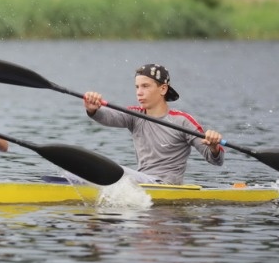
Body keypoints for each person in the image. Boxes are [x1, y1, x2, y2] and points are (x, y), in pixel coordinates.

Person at [82, 63, 224, 184]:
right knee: (90, 172)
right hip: (143, 182)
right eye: (137, 87)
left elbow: (216, 160)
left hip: (167, 186)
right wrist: (93, 110)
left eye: (145, 86)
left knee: (112, 171)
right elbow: (107, 117)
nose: (139, 92)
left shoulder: (182, 121)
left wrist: (214, 146)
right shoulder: (135, 116)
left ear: (163, 89)